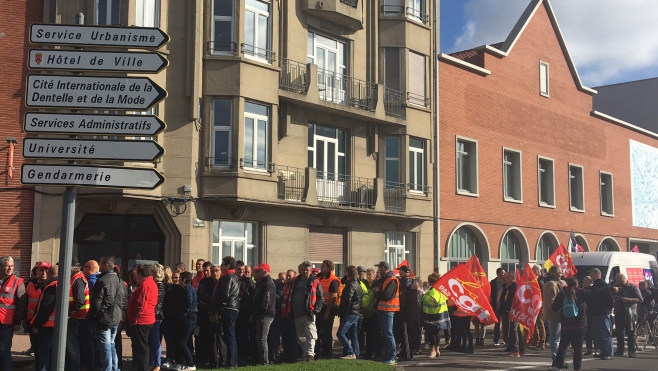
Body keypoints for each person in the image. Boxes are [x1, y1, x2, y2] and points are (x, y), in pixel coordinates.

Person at [87, 256, 125, 371]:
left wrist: (94, 316)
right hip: (115, 318)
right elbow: (123, 299)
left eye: (100, 263)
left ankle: (108, 369)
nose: (99, 265)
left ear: (106, 265)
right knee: (111, 345)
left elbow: (98, 301)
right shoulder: (119, 281)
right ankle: (114, 368)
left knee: (105, 348)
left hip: (105, 319)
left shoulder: (102, 281)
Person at [282, 261, 324, 362]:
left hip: (308, 313)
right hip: (296, 313)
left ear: (310, 270)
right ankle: (306, 356)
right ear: (300, 270)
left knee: (311, 334)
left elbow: (321, 298)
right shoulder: (295, 281)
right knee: (301, 337)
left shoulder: (315, 282)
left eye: (307, 270)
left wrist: (316, 310)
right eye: (303, 269)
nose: (305, 271)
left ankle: (310, 354)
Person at [127, 264, 158, 371]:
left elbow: (141, 305)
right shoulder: (150, 283)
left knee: (141, 349)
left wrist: (134, 319)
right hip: (146, 319)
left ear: (141, 274)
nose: (136, 277)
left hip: (142, 321)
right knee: (143, 347)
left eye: (137, 274)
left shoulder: (145, 285)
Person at [0, 256, 27, 369]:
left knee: (3, 350)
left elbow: (21, 304)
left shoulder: (18, 281)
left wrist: (17, 321)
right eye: (7, 266)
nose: (10, 268)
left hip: (6, 322)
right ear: (1, 267)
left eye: (12, 266)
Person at [213, 256, 240, 369]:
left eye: (222, 264)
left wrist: (219, 306)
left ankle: (231, 363)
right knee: (230, 336)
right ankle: (232, 362)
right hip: (232, 308)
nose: (220, 266)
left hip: (228, 308)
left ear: (227, 266)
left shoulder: (228, 277)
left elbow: (225, 295)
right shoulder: (233, 276)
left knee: (230, 336)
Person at [373, 260, 400, 366]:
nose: (378, 270)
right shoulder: (385, 279)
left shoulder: (392, 280)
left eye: (379, 267)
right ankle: (388, 355)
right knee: (385, 333)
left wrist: (377, 293)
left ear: (384, 268)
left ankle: (392, 357)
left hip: (389, 310)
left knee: (388, 333)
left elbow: (387, 295)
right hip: (384, 310)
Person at [23, 261, 49, 367]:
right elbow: (25, 301)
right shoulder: (31, 284)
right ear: (36, 272)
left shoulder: (50, 285)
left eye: (46, 270)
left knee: (43, 348)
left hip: (44, 322)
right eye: (41, 270)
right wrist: (24, 318)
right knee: (35, 346)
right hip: (30, 320)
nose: (43, 273)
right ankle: (37, 364)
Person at [32, 265, 57, 371]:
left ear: (49, 274)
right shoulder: (63, 285)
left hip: (47, 326)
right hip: (58, 326)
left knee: (44, 354)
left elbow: (46, 307)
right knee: (53, 354)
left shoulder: (51, 286)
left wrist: (36, 324)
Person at [613, 273, 643, 357]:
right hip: (619, 311)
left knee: (631, 331)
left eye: (620, 281)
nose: (618, 283)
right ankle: (620, 350)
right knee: (619, 332)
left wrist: (628, 299)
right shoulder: (615, 286)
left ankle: (631, 351)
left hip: (630, 312)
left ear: (624, 279)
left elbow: (640, 299)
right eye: (617, 281)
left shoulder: (633, 287)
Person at [587, 268, 614, 360]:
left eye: (591, 274)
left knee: (605, 332)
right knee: (599, 333)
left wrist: (610, 307)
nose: (590, 276)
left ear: (597, 274)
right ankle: (603, 351)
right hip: (596, 312)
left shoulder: (601, 283)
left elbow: (609, 297)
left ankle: (608, 352)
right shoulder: (596, 284)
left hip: (602, 311)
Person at [252, 262, 277, 364]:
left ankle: (264, 361)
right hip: (263, 314)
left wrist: (260, 312)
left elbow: (266, 301)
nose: (257, 272)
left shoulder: (267, 283)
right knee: (260, 338)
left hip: (265, 314)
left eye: (259, 270)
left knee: (262, 338)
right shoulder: (262, 282)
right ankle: (262, 360)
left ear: (264, 271)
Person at [336, 265, 363, 359]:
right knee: (354, 336)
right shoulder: (358, 284)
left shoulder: (350, 285)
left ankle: (351, 353)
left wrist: (342, 311)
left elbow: (347, 300)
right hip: (356, 313)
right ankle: (356, 355)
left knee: (340, 333)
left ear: (347, 274)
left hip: (350, 313)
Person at [67, 263, 90, 371]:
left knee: (73, 347)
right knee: (76, 345)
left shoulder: (77, 279)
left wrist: (67, 312)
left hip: (76, 317)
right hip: (78, 316)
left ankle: (74, 368)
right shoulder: (79, 278)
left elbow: (79, 301)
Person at [422, 272, 450, 358]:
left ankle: (432, 351)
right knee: (436, 332)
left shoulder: (434, 290)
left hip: (432, 314)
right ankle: (437, 350)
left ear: (430, 282)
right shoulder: (440, 289)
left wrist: (423, 296)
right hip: (440, 314)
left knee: (431, 333)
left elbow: (433, 300)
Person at [173, 271, 198, 370]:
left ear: (184, 280)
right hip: (188, 317)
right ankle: (185, 362)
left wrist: (182, 315)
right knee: (186, 341)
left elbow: (188, 303)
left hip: (188, 318)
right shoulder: (186, 289)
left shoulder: (188, 289)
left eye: (180, 279)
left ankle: (191, 364)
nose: (178, 280)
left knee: (182, 341)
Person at [198, 263, 220, 367]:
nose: (207, 273)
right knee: (202, 337)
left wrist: (205, 299)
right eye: (206, 271)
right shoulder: (202, 281)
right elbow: (201, 295)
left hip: (211, 312)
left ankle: (212, 360)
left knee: (212, 338)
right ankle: (203, 358)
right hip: (202, 312)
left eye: (208, 271)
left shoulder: (214, 282)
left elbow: (211, 296)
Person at [317, 260, 340, 359]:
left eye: (323, 266)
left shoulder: (333, 281)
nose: (321, 268)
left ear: (329, 268)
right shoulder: (319, 277)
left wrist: (327, 311)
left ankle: (328, 354)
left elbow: (333, 297)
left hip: (328, 308)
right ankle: (318, 352)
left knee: (326, 331)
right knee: (317, 330)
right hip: (319, 307)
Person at [396, 265, 420, 360]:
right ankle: (404, 352)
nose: (399, 273)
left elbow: (403, 299)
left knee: (406, 334)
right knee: (405, 334)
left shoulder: (406, 283)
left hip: (406, 314)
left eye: (400, 271)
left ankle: (408, 354)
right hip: (408, 314)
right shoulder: (411, 282)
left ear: (403, 272)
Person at [80, 260, 100, 371]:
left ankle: (88, 365)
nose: (83, 269)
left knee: (88, 342)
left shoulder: (90, 281)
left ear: (90, 268)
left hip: (86, 316)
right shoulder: (97, 280)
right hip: (91, 317)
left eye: (84, 267)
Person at [234, 260, 255, 365]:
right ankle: (235, 356)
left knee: (244, 335)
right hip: (234, 311)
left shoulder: (249, 282)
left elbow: (252, 298)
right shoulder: (232, 279)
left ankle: (244, 357)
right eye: (239, 269)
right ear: (235, 269)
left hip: (244, 313)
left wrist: (251, 313)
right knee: (235, 334)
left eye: (243, 270)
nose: (241, 272)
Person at [543, 266, 565, 363]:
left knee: (557, 337)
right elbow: (551, 301)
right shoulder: (551, 284)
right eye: (559, 272)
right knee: (555, 338)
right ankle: (556, 359)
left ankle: (558, 358)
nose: (561, 274)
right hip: (555, 315)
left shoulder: (555, 283)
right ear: (553, 273)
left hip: (557, 315)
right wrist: (558, 312)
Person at [162, 270, 182, 369]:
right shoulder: (169, 288)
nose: (175, 280)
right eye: (174, 277)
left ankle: (178, 360)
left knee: (178, 340)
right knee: (169, 340)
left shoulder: (182, 289)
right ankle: (169, 358)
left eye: (177, 278)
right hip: (169, 318)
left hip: (178, 318)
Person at [280, 269, 299, 363]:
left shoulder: (294, 287)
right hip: (283, 315)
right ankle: (286, 356)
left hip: (291, 315)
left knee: (292, 337)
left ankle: (293, 357)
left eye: (289, 276)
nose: (287, 277)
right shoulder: (285, 286)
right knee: (285, 338)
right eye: (287, 275)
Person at [149, 264, 165, 371]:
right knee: (151, 339)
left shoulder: (160, 285)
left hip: (156, 315)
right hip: (153, 314)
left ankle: (157, 363)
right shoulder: (155, 284)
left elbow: (157, 302)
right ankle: (152, 362)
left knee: (155, 340)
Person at [362, 268, 380, 360]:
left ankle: (377, 353)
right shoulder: (364, 283)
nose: (368, 276)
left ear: (374, 275)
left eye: (370, 274)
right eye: (367, 274)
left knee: (376, 334)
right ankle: (368, 353)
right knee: (368, 334)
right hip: (365, 312)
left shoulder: (377, 284)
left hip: (374, 311)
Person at [529, 265, 546, 350]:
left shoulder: (541, 282)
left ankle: (542, 342)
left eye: (535, 272)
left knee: (540, 323)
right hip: (533, 304)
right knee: (534, 323)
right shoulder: (534, 281)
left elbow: (542, 294)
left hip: (539, 305)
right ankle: (536, 340)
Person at [581, 276, 598, 356]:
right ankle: (589, 348)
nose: (584, 281)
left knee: (594, 331)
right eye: (583, 280)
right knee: (587, 331)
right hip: (585, 313)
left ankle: (597, 349)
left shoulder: (592, 289)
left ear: (590, 281)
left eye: (585, 280)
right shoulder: (583, 289)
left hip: (592, 312)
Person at [489, 268, 506, 346]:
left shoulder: (506, 282)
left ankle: (505, 339)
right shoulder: (493, 282)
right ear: (498, 273)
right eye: (502, 273)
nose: (503, 274)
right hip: (496, 306)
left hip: (504, 305)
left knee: (505, 323)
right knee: (497, 323)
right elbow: (490, 293)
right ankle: (496, 340)